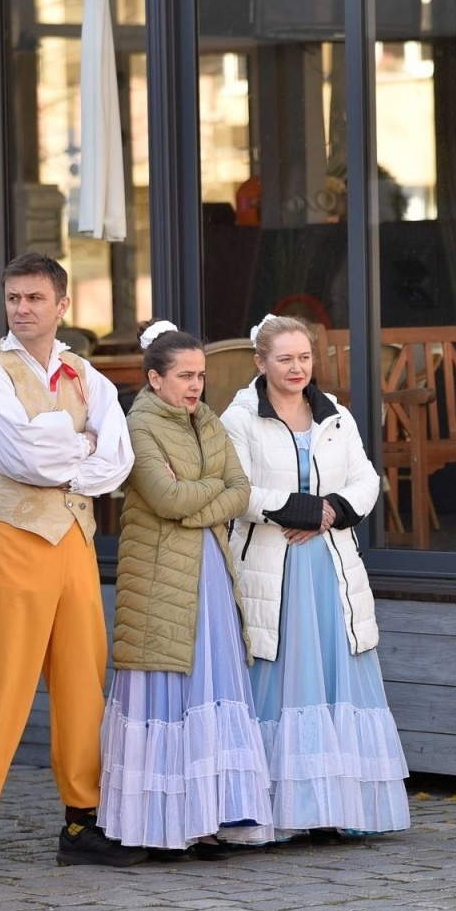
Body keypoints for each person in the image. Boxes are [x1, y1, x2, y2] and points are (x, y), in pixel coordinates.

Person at [0, 252, 137, 880]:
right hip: (10, 537)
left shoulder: (85, 373)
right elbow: (23, 459)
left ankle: (82, 820)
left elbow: (118, 459)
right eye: (13, 298)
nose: (22, 309)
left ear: (62, 306)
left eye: (34, 298)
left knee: (83, 683)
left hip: (74, 540)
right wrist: (82, 446)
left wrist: (69, 454)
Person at [219, 313, 410, 838]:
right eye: (284, 358)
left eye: (304, 357)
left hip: (330, 570)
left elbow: (366, 478)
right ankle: (277, 814)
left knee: (334, 679)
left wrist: (331, 511)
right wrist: (300, 510)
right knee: (278, 679)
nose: (296, 367)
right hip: (272, 570)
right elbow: (236, 490)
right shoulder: (239, 418)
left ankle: (337, 811)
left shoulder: (336, 416)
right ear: (260, 362)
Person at [100, 320, 274, 858]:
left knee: (210, 685)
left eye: (200, 375)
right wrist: (209, 493)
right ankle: (163, 824)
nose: (196, 385)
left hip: (211, 570)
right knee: (168, 689)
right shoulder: (138, 427)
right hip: (158, 573)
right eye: (184, 375)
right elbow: (165, 498)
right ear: (155, 379)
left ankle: (208, 817)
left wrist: (197, 497)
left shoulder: (208, 421)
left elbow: (240, 490)